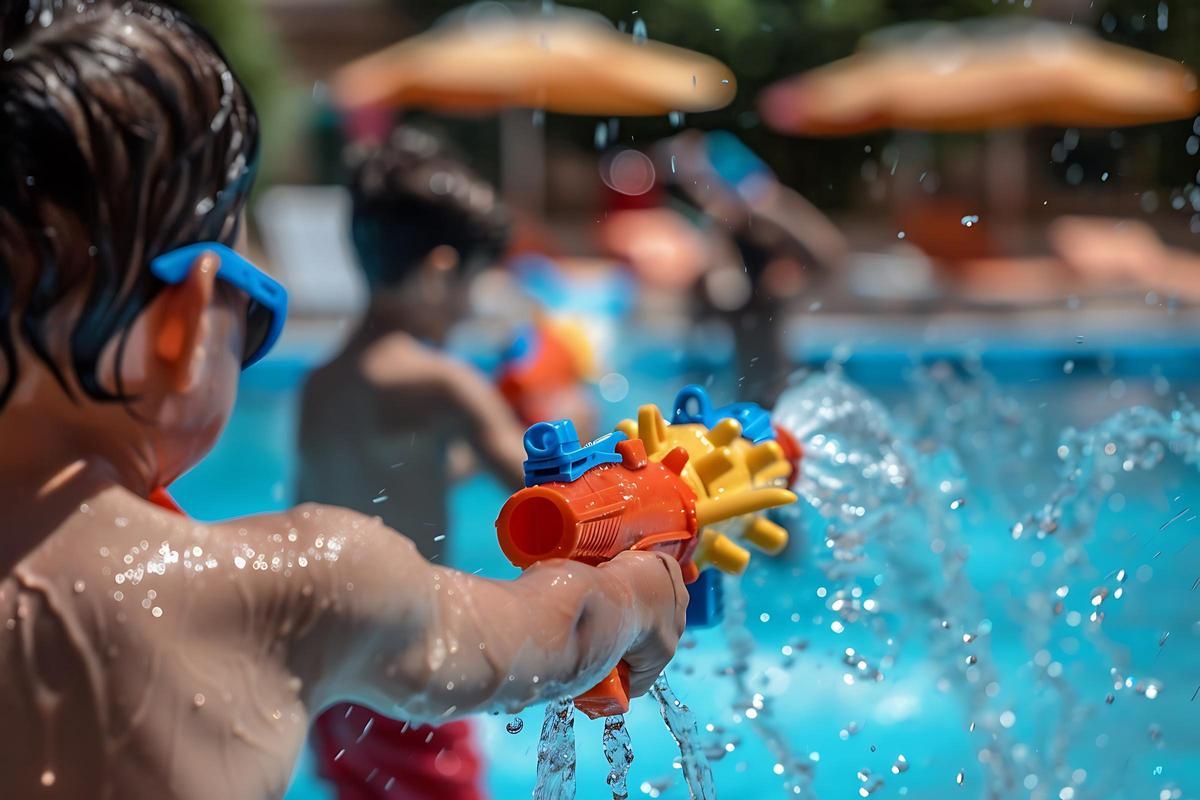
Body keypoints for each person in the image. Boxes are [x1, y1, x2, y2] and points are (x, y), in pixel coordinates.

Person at [0, 5, 689, 800]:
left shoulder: (327, 379)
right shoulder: (294, 595)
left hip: (344, 701)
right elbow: (559, 623)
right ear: (187, 321)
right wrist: (636, 591)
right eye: (254, 311)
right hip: (393, 654)